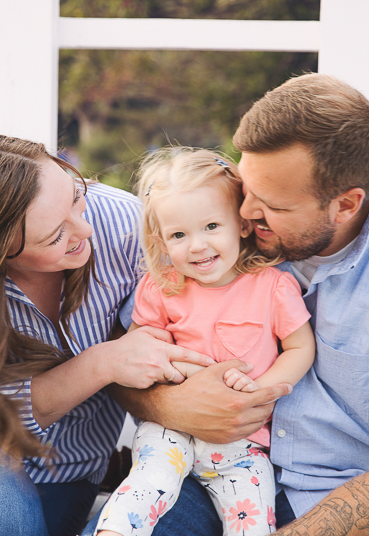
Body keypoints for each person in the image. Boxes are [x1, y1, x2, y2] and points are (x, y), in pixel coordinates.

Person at [101, 74, 369, 536]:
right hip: (188, 463)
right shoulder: (210, 249)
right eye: (245, 188)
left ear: (345, 205)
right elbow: (123, 361)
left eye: (270, 203)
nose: (245, 212)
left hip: (330, 501)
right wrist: (174, 406)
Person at [0, 136, 217, 536]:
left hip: (74, 470)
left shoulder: (124, 223)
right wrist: (102, 363)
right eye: (53, 238)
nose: (85, 228)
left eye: (74, 195)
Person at [95, 148, 316, 536]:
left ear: (242, 225)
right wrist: (183, 372)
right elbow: (142, 351)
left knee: (252, 516)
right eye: (179, 234)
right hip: (171, 429)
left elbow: (300, 346)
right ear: (161, 241)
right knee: (145, 485)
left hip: (243, 442)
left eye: (212, 226)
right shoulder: (161, 288)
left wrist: (258, 391)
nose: (197, 245)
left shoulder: (273, 287)